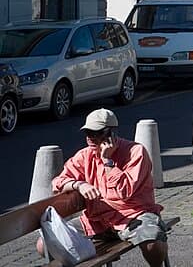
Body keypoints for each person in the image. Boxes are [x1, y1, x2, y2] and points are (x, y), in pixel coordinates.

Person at [40, 109, 169, 267]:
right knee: (45, 245)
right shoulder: (84, 155)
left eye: (96, 133)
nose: (90, 138)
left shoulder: (136, 152)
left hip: (133, 216)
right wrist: (79, 184)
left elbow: (125, 191)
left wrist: (107, 161)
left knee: (152, 244)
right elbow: (58, 182)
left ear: (111, 133)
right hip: (97, 221)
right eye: (88, 132)